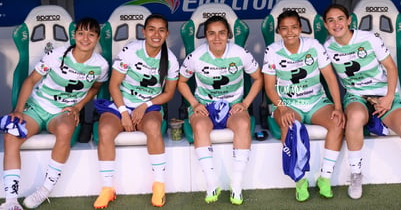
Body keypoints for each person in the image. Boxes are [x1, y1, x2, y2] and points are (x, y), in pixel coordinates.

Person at [0, 17, 109, 210]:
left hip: (62, 112)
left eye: (91, 34)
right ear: (74, 35)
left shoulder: (100, 65)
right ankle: (10, 201)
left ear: (97, 38)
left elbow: (96, 88)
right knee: (11, 135)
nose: (85, 38)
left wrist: (78, 106)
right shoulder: (57, 55)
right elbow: (30, 81)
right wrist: (18, 110)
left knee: (66, 129)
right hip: (37, 106)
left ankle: (44, 190)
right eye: (81, 33)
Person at [323, 3, 401, 199]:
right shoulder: (327, 48)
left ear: (349, 21)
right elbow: (326, 76)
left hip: (383, 94)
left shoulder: (368, 38)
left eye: (340, 19)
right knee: (354, 117)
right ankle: (356, 174)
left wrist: (389, 98)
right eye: (331, 20)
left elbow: (391, 67)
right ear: (325, 25)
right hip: (356, 95)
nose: (336, 24)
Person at [93, 14, 179, 208]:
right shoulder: (131, 50)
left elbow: (168, 93)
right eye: (151, 29)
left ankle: (159, 185)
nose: (156, 34)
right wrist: (124, 112)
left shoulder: (171, 59)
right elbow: (114, 85)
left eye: (161, 30)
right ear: (144, 32)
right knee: (105, 129)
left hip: (149, 105)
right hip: (121, 103)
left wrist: (144, 106)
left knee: (153, 126)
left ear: (167, 33)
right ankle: (107, 188)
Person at [177, 15, 263, 205]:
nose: (217, 38)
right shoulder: (197, 56)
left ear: (228, 35)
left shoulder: (240, 53)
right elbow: (181, 82)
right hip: (205, 106)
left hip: (233, 105)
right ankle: (212, 182)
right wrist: (194, 103)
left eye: (222, 33)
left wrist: (246, 103)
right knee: (199, 126)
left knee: (242, 123)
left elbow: (258, 78)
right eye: (211, 33)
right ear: (205, 36)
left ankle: (237, 184)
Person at [262, 9, 345, 202]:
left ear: (300, 28)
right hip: (287, 103)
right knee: (290, 126)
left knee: (337, 122)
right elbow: (269, 87)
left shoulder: (313, 46)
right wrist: (282, 108)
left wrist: (338, 107)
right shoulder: (273, 50)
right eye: (284, 29)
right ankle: (300, 180)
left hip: (316, 101)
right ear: (279, 31)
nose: (289, 32)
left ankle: (325, 177)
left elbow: (330, 78)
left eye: (293, 27)